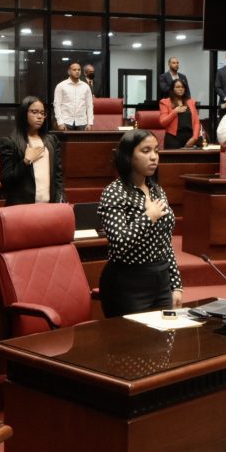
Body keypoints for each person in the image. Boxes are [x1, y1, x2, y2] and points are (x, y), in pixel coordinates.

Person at [97, 129, 182, 317]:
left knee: (164, 341)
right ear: (128, 156)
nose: (153, 157)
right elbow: (119, 244)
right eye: (145, 151)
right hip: (128, 283)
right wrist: (148, 217)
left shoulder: (157, 190)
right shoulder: (114, 192)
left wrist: (176, 285)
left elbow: (165, 243)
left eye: (156, 151)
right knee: (134, 345)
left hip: (161, 280)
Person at [0, 96, 64, 205]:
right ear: (24, 114)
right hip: (22, 209)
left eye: (42, 113)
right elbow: (6, 181)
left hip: (50, 207)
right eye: (34, 112)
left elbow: (58, 177)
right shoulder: (10, 142)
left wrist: (60, 198)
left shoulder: (52, 141)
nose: (39, 116)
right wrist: (26, 161)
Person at [158, 79, 200, 149]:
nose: (180, 89)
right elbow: (163, 122)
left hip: (190, 139)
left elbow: (196, 122)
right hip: (173, 139)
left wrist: (195, 137)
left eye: (182, 87)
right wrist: (175, 112)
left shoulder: (191, 102)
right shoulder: (165, 102)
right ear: (172, 89)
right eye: (177, 87)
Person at [53, 61, 94, 131]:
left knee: (82, 142)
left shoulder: (86, 87)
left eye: (79, 70)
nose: (77, 71)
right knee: (65, 142)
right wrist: (60, 122)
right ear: (69, 72)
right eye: (74, 70)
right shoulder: (61, 86)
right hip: (66, 121)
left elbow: (89, 106)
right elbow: (57, 105)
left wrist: (90, 123)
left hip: (82, 122)